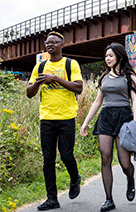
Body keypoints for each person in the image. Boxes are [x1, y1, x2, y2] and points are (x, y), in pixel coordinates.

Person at [26, 31, 83, 211]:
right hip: (47, 118)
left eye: (53, 42)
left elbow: (78, 88)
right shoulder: (40, 67)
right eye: (47, 42)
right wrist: (38, 83)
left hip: (66, 117)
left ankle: (75, 179)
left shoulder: (70, 64)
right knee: (48, 159)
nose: (49, 45)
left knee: (66, 155)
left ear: (61, 45)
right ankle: (52, 199)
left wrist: (55, 78)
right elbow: (29, 93)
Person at [80, 43, 136, 211]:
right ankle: (109, 199)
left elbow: (134, 100)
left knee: (124, 162)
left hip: (124, 118)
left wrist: (135, 121)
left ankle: (130, 179)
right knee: (105, 157)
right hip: (106, 117)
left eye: (111, 55)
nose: (107, 58)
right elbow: (98, 101)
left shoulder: (129, 76)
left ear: (119, 57)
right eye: (106, 56)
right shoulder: (104, 76)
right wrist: (86, 122)